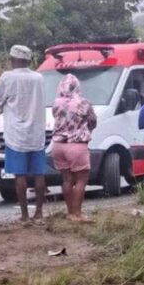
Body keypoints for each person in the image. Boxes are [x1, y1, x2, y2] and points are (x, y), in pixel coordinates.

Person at [0, 45, 46, 223]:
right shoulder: (39, 78)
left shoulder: (8, 77)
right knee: (39, 175)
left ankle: (24, 215)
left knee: (19, 176)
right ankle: (39, 213)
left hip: (16, 135)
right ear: (28, 60)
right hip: (37, 134)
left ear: (13, 59)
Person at [51, 74, 97, 222]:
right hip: (76, 145)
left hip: (58, 145)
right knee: (81, 180)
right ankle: (77, 214)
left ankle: (69, 212)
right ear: (77, 86)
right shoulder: (83, 103)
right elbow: (93, 122)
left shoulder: (56, 103)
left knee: (67, 179)